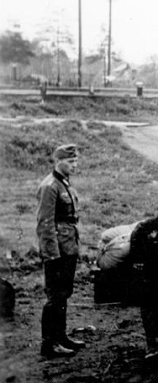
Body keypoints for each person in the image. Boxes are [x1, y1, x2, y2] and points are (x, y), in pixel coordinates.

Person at [36, 143, 86, 358]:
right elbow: (45, 223)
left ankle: (61, 336)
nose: (75, 165)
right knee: (55, 296)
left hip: (67, 247)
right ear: (58, 162)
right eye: (71, 161)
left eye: (76, 161)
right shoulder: (50, 186)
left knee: (64, 294)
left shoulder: (64, 183)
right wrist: (52, 255)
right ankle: (50, 343)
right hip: (57, 251)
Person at [130, 210, 158, 359]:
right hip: (147, 276)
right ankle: (152, 345)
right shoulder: (144, 230)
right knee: (150, 309)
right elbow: (137, 257)